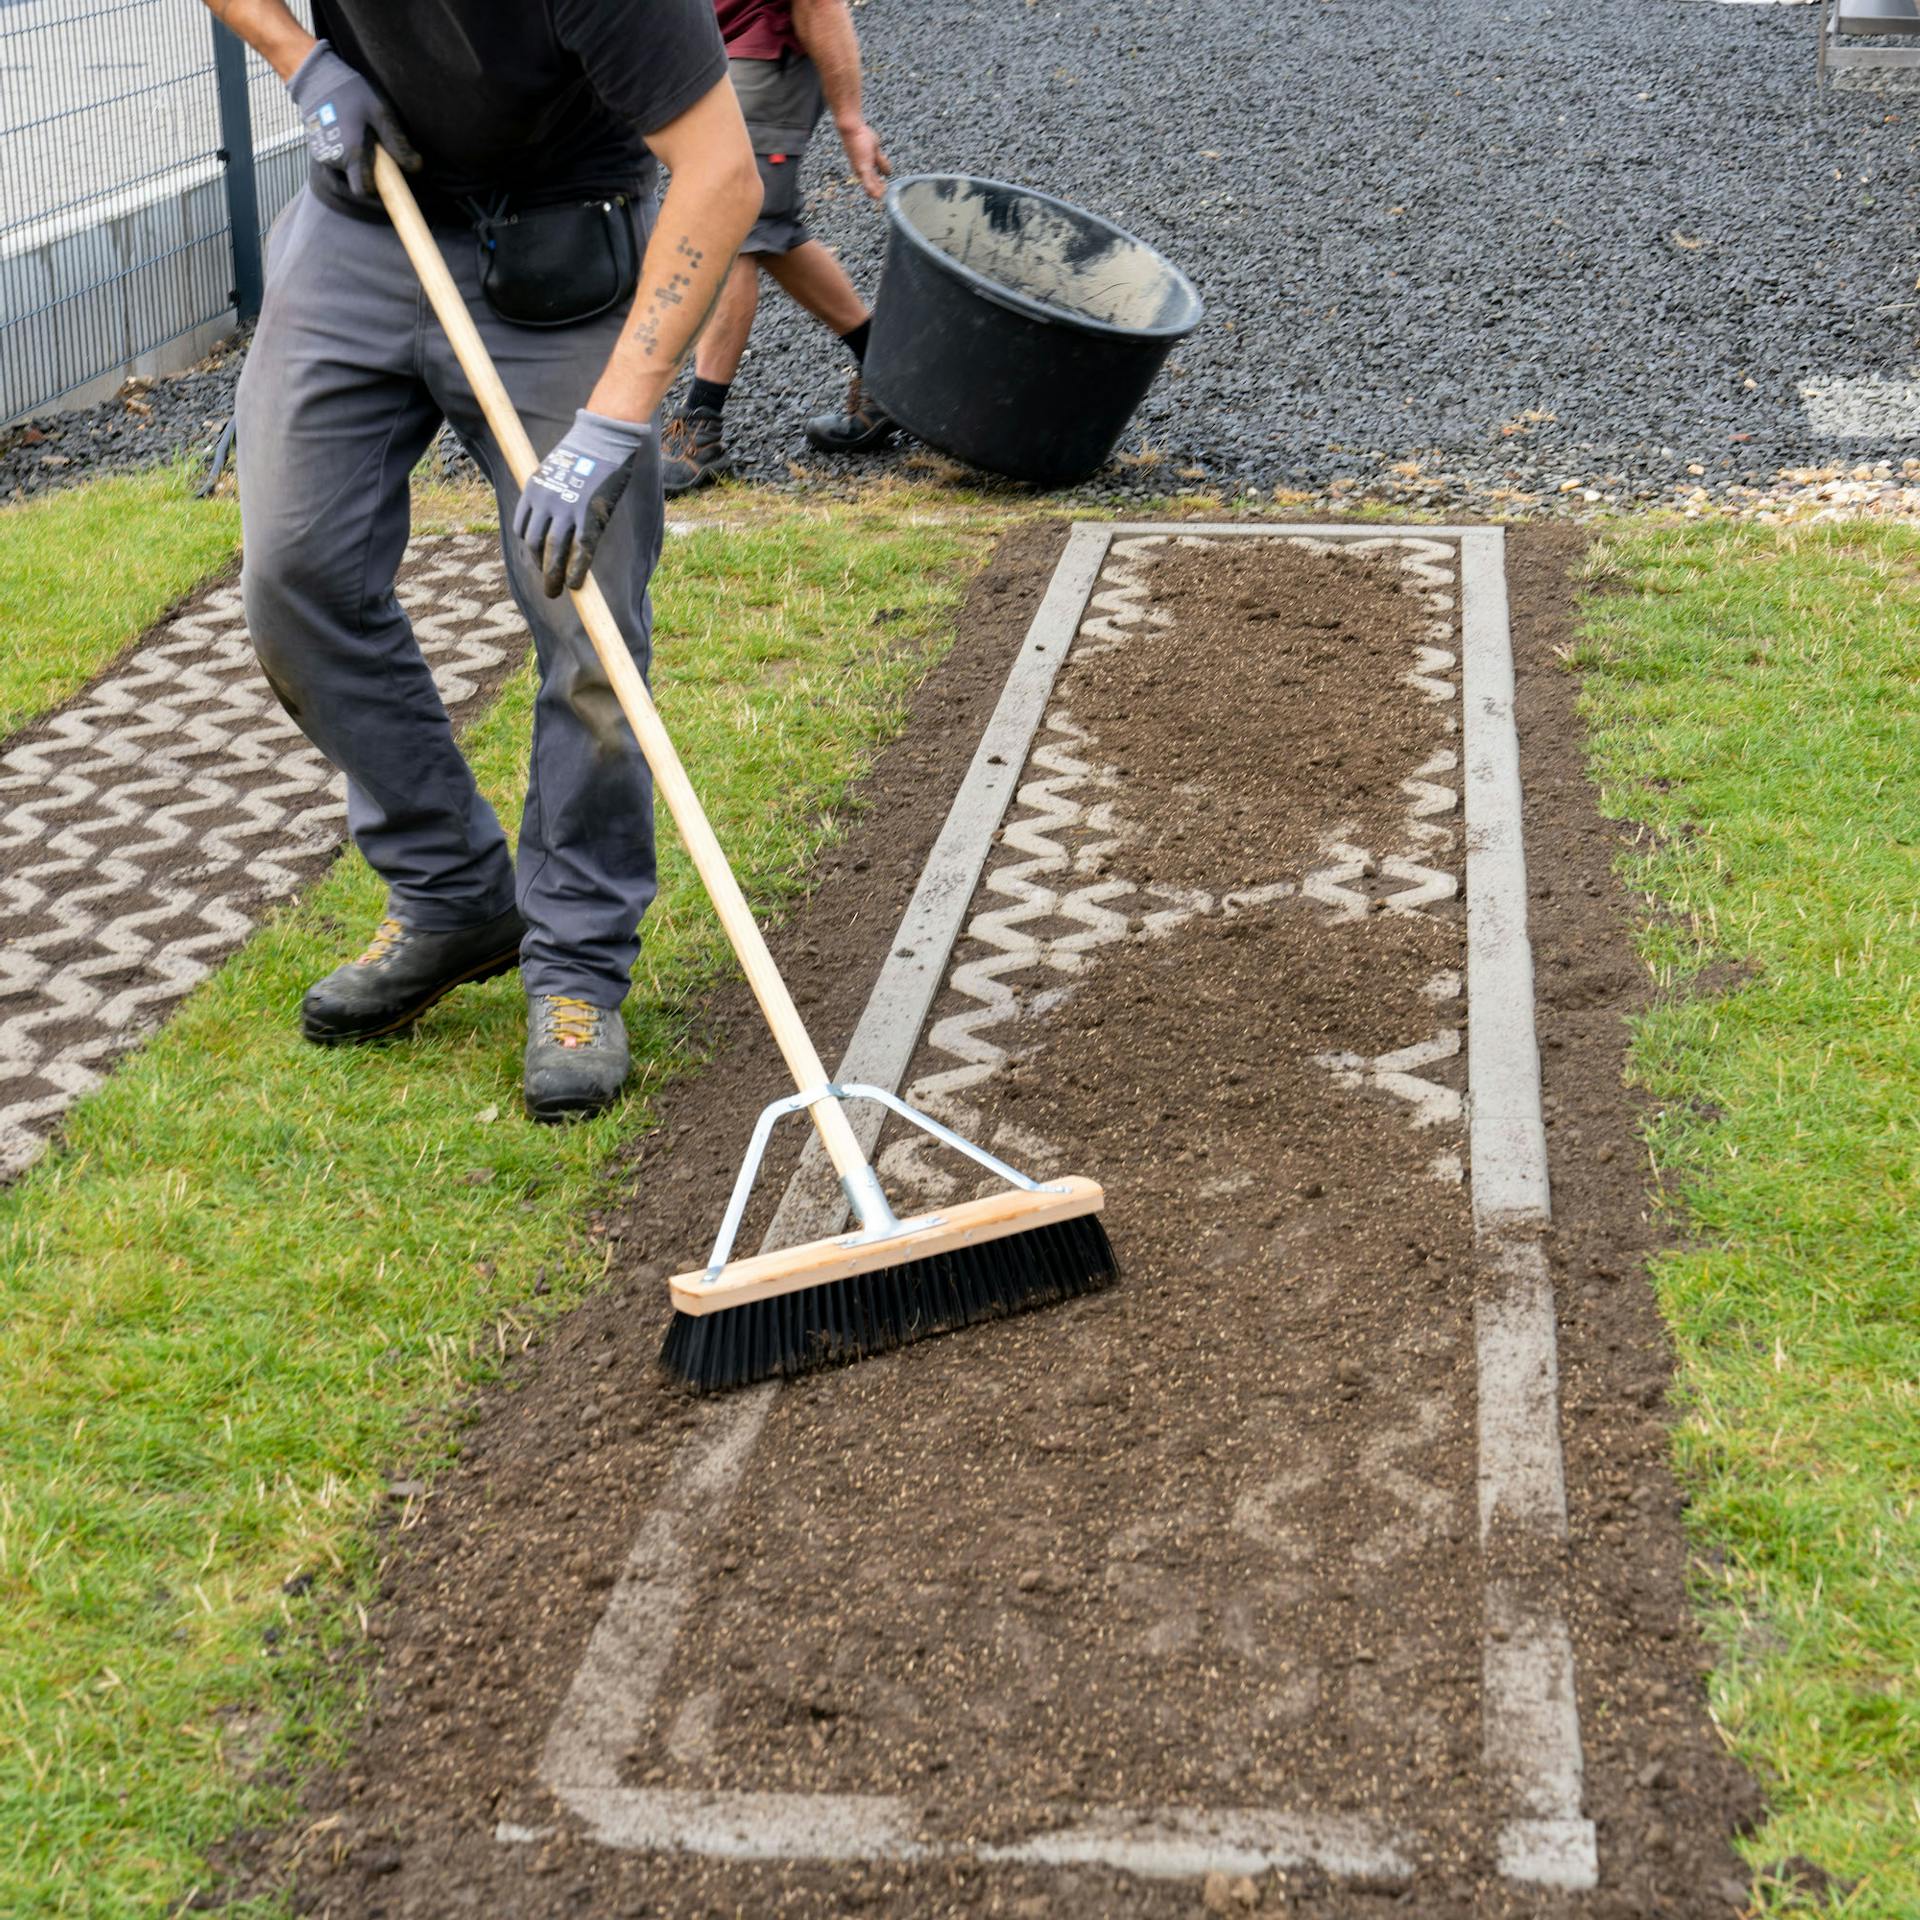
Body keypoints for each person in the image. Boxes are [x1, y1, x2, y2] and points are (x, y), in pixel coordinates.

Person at [201, 0, 761, 1120]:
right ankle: (453, 894)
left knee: (587, 629)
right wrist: (299, 57)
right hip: (363, 221)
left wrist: (611, 423)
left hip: (562, 255)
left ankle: (578, 964)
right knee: (295, 577)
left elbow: (722, 176)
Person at [660, 0, 895, 494]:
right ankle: (889, 373)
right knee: (773, 236)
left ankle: (700, 429)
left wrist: (850, 120)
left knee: (734, 232)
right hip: (718, 55)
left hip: (766, 61)